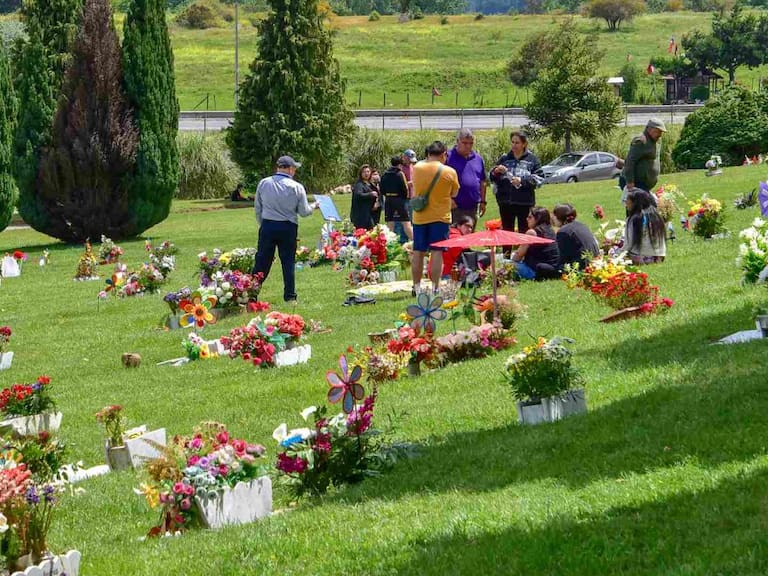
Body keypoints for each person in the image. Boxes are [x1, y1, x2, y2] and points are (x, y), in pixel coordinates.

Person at [253, 155, 318, 302]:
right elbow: (304, 212)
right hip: (288, 226)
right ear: (289, 169)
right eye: (294, 168)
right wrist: (314, 206)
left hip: (268, 224)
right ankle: (290, 295)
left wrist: (262, 223)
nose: (294, 171)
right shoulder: (296, 186)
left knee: (262, 261)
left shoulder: (264, 183)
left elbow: (258, 207)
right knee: (288, 262)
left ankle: (252, 292)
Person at [411, 141, 460, 295]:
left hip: (420, 216)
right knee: (437, 252)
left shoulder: (417, 168)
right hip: (440, 216)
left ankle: (416, 287)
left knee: (418, 252)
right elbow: (455, 193)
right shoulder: (449, 171)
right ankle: (435, 287)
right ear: (444, 154)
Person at [490, 131, 541, 237]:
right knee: (507, 233)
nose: (514, 145)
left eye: (517, 143)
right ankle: (506, 254)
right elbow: (491, 177)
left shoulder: (532, 160)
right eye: (512, 142)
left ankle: (525, 253)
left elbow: (539, 179)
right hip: (505, 202)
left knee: (524, 232)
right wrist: (496, 171)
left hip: (525, 203)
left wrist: (522, 181)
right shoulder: (504, 158)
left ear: (524, 144)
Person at [446, 128, 487, 226]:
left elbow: (482, 181)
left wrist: (483, 201)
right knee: (454, 236)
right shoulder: (448, 157)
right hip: (454, 206)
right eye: (464, 143)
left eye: (471, 143)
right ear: (457, 141)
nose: (468, 146)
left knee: (469, 236)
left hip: (472, 206)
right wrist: (448, 199)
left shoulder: (477, 158)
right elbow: (441, 181)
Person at [510, 206, 559, 280]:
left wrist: (510, 263)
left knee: (503, 263)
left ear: (538, 218)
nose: (527, 219)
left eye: (530, 217)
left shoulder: (532, 233)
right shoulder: (552, 231)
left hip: (535, 272)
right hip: (552, 269)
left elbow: (518, 256)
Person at [622, 118, 666, 195]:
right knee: (641, 206)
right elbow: (629, 161)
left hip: (643, 185)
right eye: (658, 132)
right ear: (650, 129)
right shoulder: (641, 141)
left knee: (649, 206)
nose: (660, 135)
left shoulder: (652, 141)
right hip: (636, 183)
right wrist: (630, 182)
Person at [624, 189, 666, 265]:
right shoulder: (657, 217)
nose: (625, 202)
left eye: (627, 200)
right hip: (659, 257)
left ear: (635, 203)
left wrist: (615, 255)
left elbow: (627, 245)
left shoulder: (633, 219)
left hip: (640, 258)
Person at [380, 155, 412, 241]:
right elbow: (405, 188)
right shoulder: (400, 174)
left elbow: (381, 189)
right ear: (400, 165)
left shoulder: (385, 174)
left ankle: (388, 244)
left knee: (390, 224)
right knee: (406, 223)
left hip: (388, 200)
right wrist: (404, 198)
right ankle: (415, 242)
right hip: (399, 200)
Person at [350, 164, 378, 230]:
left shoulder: (369, 184)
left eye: (368, 172)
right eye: (364, 172)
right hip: (360, 215)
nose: (366, 174)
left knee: (372, 232)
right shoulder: (359, 184)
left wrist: (376, 202)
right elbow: (359, 195)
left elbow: (377, 194)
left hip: (368, 213)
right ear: (361, 173)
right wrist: (371, 194)